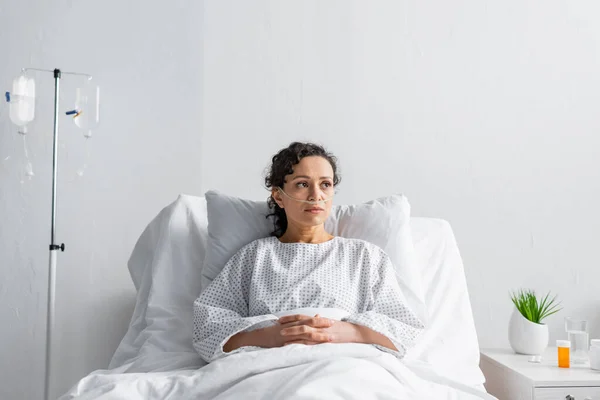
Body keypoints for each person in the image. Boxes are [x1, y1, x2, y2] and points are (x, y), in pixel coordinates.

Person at [192, 142, 423, 363]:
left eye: (325, 184)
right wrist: (270, 337)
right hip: (267, 365)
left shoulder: (365, 257)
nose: (316, 195)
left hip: (345, 364)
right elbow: (206, 330)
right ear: (279, 195)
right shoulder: (253, 257)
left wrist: (346, 332)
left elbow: (404, 332)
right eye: (302, 184)